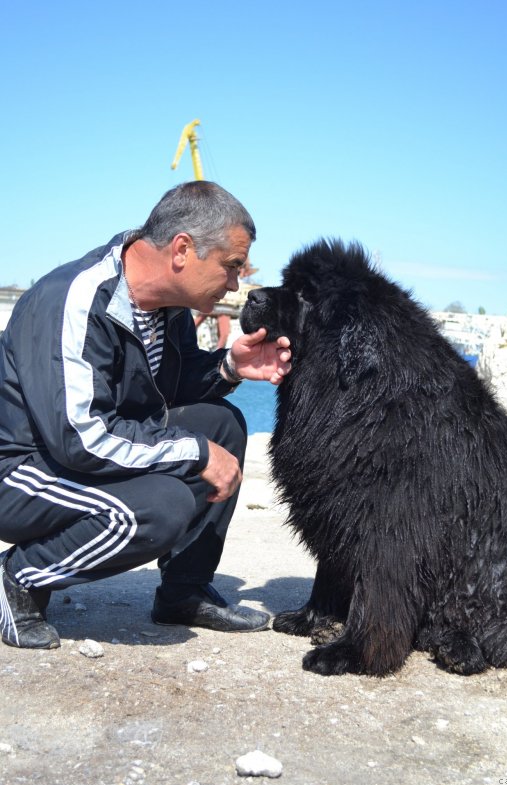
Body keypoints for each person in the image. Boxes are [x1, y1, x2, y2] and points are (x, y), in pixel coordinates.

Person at [0, 181, 291, 650]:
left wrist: (230, 366)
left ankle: (183, 593)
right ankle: (18, 578)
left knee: (223, 424)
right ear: (182, 249)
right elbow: (80, 437)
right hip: (18, 470)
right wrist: (196, 455)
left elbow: (166, 393)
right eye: (231, 266)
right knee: (160, 507)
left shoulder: (163, 306)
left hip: (71, 455)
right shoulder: (77, 299)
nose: (235, 284)